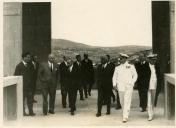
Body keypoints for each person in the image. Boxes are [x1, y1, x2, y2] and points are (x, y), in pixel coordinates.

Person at [113, 53, 138, 123]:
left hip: (128, 86)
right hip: (120, 87)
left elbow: (135, 75)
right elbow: (114, 77)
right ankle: (125, 112)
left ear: (125, 58)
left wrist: (132, 82)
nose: (120, 60)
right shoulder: (117, 67)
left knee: (127, 100)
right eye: (120, 58)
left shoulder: (131, 66)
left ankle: (125, 116)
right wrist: (114, 84)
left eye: (121, 58)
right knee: (121, 101)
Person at [146, 53, 161, 121]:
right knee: (149, 100)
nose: (154, 61)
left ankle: (151, 113)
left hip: (155, 85)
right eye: (152, 60)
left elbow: (159, 76)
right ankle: (150, 114)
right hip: (147, 86)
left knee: (153, 100)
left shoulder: (157, 66)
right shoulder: (146, 66)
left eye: (155, 60)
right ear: (149, 60)